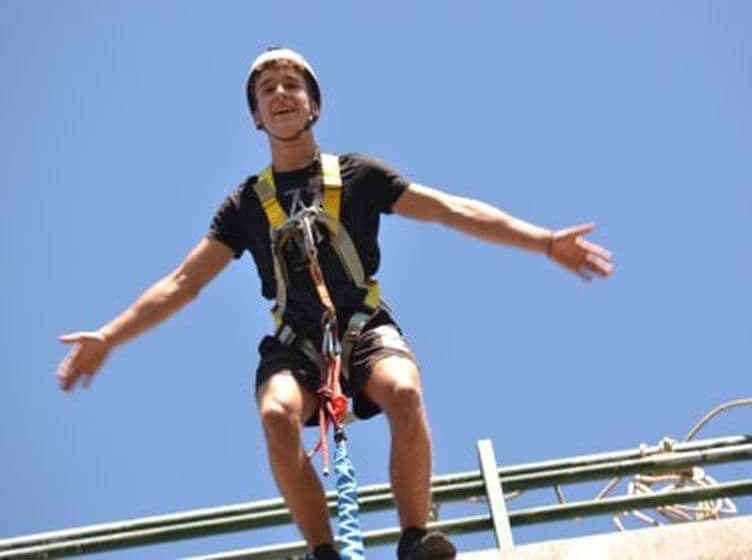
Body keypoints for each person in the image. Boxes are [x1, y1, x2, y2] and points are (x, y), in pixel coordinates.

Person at [57, 48, 613, 559]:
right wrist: (110, 335)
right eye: (267, 90)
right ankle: (324, 552)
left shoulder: (358, 176)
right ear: (255, 116)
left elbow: (448, 209)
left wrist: (542, 240)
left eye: (292, 86)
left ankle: (414, 538)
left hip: (364, 328)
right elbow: (183, 280)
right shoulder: (246, 205)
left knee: (403, 389)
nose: (280, 95)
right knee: (276, 414)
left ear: (313, 104)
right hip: (296, 343)